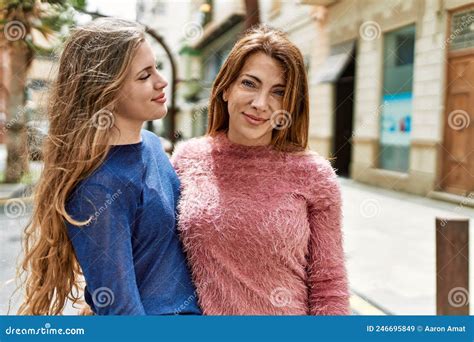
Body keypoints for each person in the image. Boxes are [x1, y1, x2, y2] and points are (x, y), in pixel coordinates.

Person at [17, 18, 200, 315]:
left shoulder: (153, 144)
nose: (160, 82)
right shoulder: (99, 188)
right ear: (105, 91)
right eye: (144, 76)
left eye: (156, 69)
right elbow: (120, 311)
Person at [171, 25, 350, 315]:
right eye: (249, 84)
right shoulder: (187, 159)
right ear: (226, 88)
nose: (260, 104)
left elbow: (329, 285)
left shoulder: (314, 174)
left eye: (278, 92)